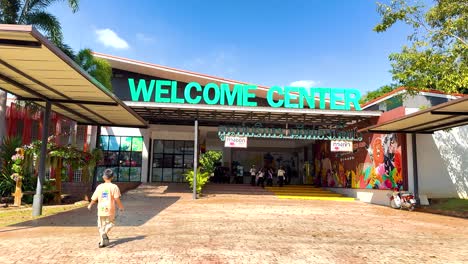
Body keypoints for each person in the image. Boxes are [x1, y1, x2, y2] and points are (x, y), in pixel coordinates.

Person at [87, 169, 124, 248]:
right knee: (111, 223)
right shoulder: (114, 187)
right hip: (110, 209)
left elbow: (94, 197)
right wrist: (121, 207)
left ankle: (101, 242)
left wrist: (90, 205)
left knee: (101, 226)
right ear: (112, 177)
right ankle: (104, 235)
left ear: (103, 177)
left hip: (101, 209)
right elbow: (117, 198)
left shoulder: (100, 187)